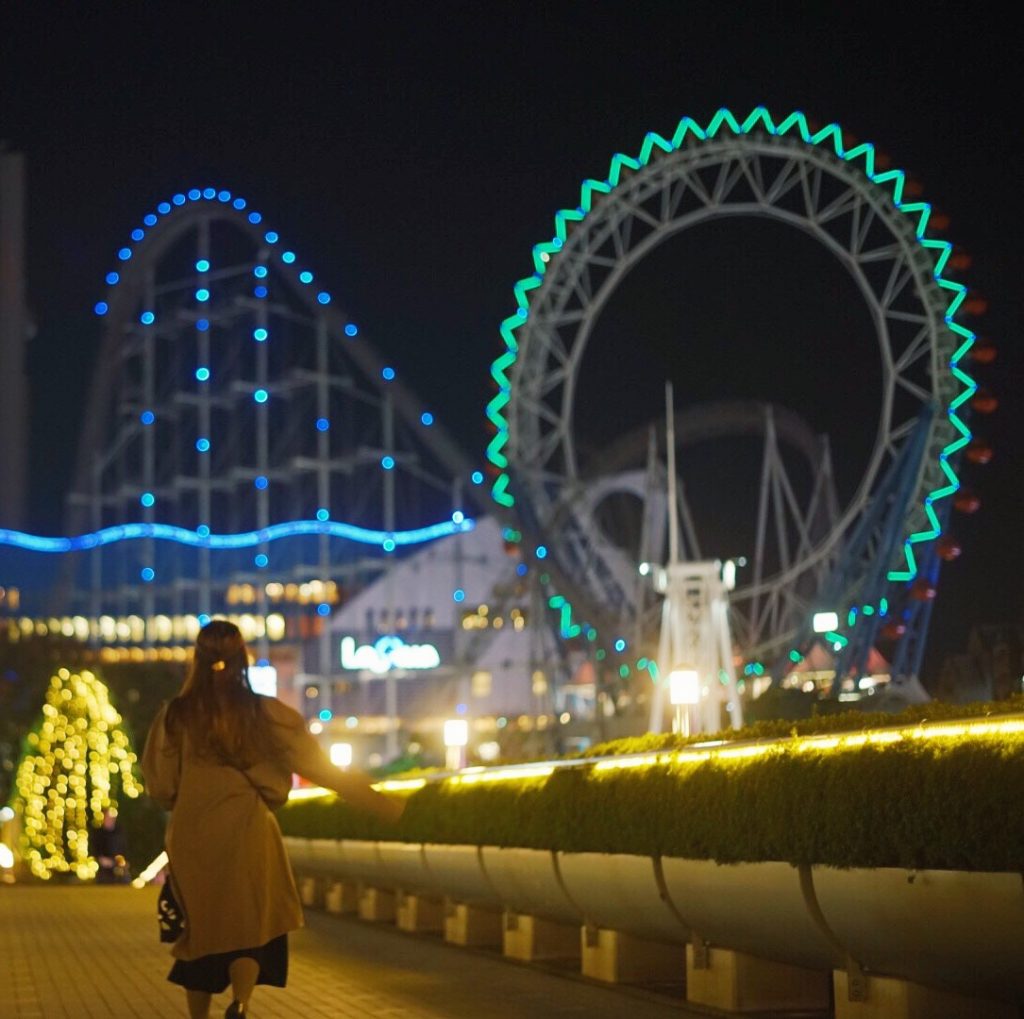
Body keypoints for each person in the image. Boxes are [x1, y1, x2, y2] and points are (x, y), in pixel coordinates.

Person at [142, 619, 404, 1019]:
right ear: (241, 659)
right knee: (254, 928)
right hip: (249, 834)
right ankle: (241, 1003)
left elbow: (161, 787)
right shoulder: (265, 714)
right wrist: (377, 802)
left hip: (193, 838)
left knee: (201, 933)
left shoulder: (175, 717)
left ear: (197, 659)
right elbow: (319, 767)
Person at [90, 807, 130, 884]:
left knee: (124, 878)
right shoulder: (99, 834)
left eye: (111, 818)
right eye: (108, 818)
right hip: (104, 867)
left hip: (118, 865)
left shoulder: (119, 833)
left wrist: (120, 861)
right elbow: (96, 851)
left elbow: (124, 849)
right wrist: (102, 859)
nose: (109, 820)